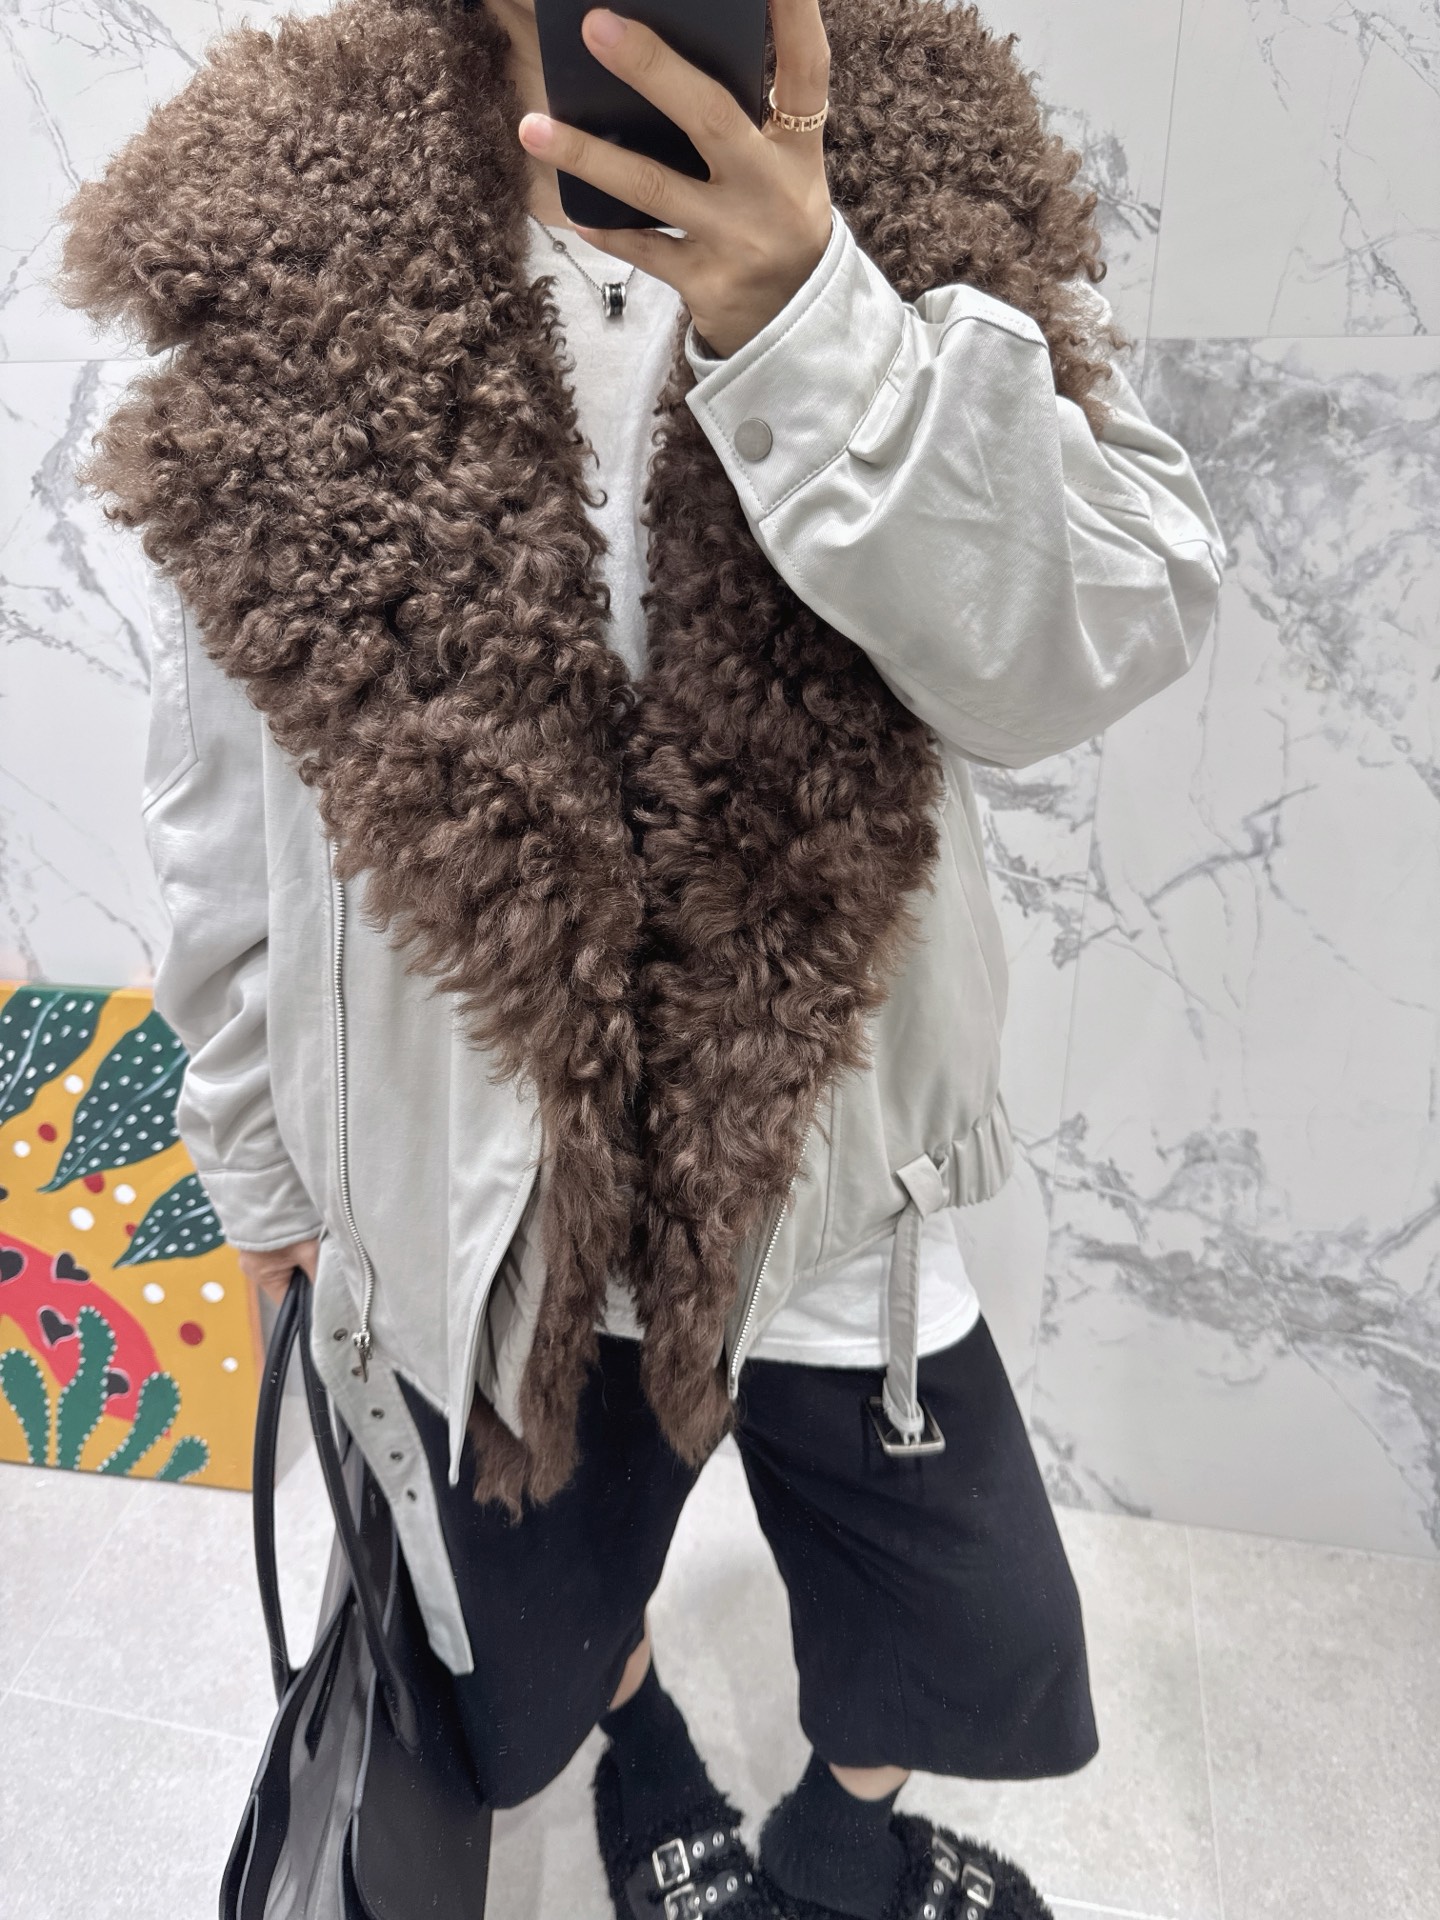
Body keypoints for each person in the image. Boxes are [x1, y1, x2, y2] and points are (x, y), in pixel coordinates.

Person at [58, 0, 1227, 1914]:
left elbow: (1088, 640)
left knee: (961, 1609)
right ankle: (652, 1759)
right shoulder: (279, 210)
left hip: (834, 1155)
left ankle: (840, 1843)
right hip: (488, 1182)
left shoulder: (927, 158)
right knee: (535, 1607)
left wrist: (813, 316)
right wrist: (258, 1156)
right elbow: (225, 787)